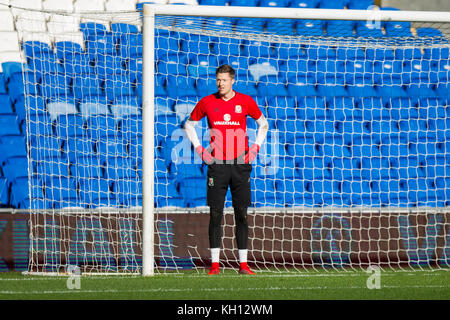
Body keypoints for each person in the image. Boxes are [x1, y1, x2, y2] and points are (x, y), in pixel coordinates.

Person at [184, 65, 269, 275]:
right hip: (217, 165)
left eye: (224, 80)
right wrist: (200, 150)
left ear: (233, 81)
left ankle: (243, 265)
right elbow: (189, 125)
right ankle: (215, 265)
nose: (220, 83)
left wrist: (255, 148)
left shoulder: (246, 101)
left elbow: (263, 124)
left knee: (241, 214)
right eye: (218, 80)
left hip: (240, 164)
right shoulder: (206, 102)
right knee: (215, 214)